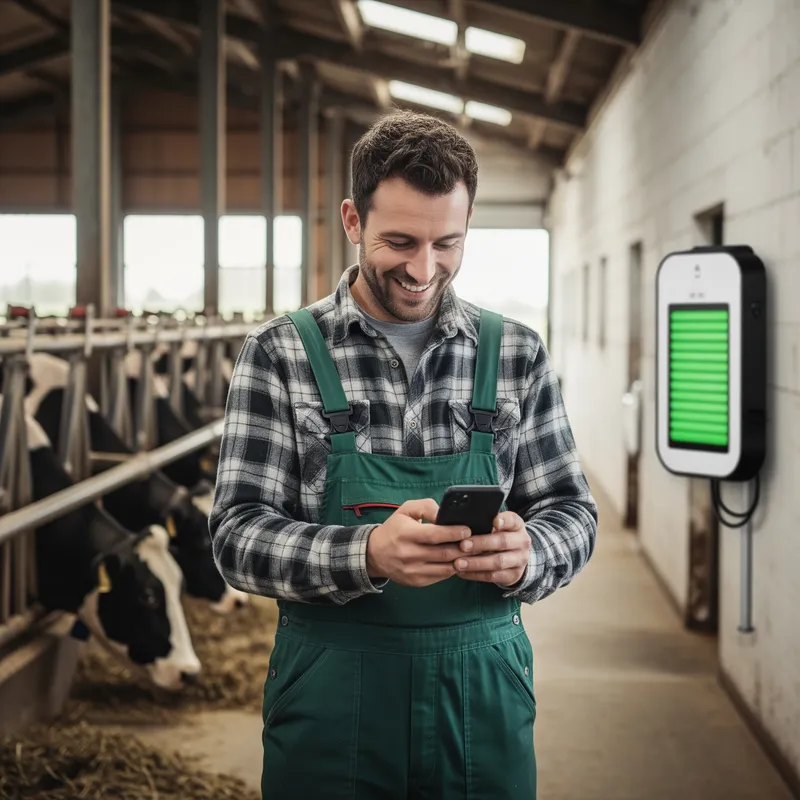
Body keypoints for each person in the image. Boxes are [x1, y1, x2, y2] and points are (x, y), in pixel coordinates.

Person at [209, 109, 598, 799]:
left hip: (482, 695)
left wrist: (530, 553)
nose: (423, 269)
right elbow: (236, 537)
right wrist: (364, 554)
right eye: (399, 242)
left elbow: (572, 510)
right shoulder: (280, 353)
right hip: (331, 696)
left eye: (447, 243)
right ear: (352, 221)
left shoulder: (515, 353)